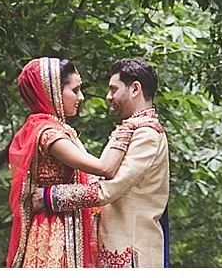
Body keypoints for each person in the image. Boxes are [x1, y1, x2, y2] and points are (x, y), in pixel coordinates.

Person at [33, 58, 170, 268]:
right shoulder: (130, 129)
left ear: (135, 89)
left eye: (114, 89)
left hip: (133, 253)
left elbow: (109, 189)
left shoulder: (147, 135)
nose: (108, 97)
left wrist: (51, 196)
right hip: (116, 249)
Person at [7, 56, 139, 268]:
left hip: (69, 222)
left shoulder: (57, 130)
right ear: (53, 94)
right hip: (55, 230)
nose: (81, 96)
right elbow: (105, 169)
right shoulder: (49, 134)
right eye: (75, 90)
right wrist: (129, 127)